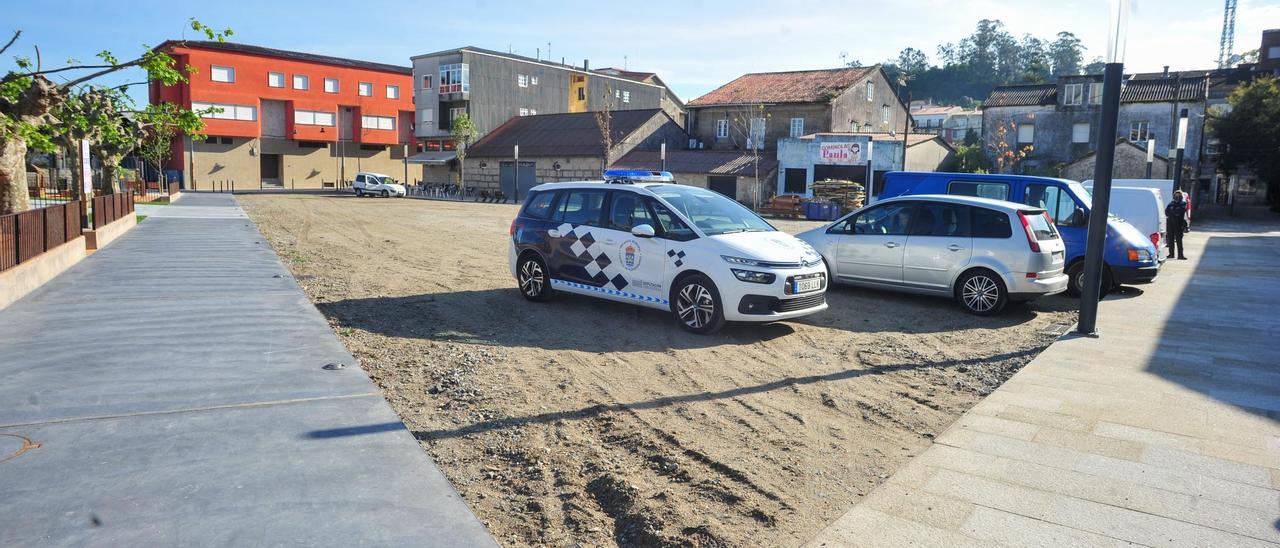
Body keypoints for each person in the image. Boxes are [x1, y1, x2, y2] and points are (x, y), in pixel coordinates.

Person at [1165, 190, 1190, 260]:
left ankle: (1180, 255)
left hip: (1179, 224)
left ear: (1181, 196)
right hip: (1170, 223)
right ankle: (1171, 254)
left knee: (1179, 240)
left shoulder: (1183, 204)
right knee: (1170, 239)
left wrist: (1174, 212)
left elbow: (1181, 211)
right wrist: (1174, 213)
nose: (1177, 197)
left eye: (1179, 195)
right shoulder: (1171, 204)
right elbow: (1167, 212)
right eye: (1176, 195)